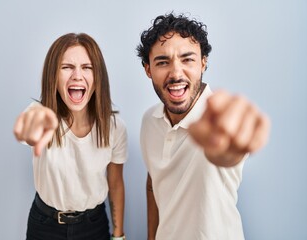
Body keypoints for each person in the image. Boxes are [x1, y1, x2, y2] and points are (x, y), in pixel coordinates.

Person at [136, 13, 270, 240]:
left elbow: (227, 154)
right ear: (148, 69)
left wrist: (233, 144)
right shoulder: (149, 121)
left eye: (187, 59)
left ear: (203, 63)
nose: (176, 73)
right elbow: (154, 181)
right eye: (162, 62)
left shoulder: (218, 122)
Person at [14, 33, 127, 240]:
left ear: (98, 76)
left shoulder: (115, 127)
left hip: (94, 225)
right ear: (53, 76)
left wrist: (118, 235)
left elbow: (116, 182)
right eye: (66, 67)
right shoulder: (40, 113)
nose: (77, 76)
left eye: (87, 67)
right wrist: (29, 129)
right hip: (45, 226)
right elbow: (28, 129)